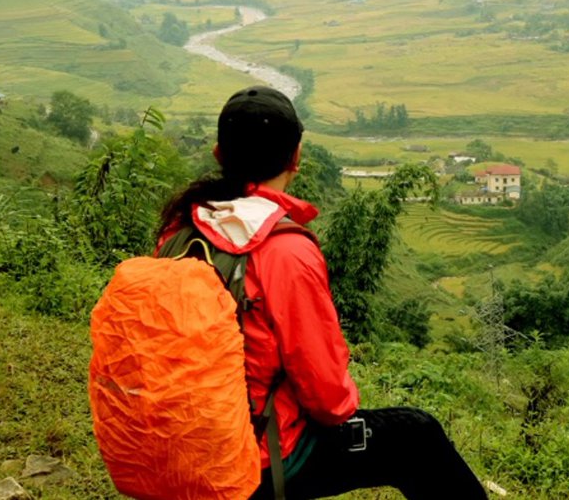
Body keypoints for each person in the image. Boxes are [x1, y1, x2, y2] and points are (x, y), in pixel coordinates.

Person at [156, 86, 487, 500]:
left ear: (219, 154)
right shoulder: (284, 249)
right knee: (416, 436)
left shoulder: (181, 229)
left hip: (174, 440)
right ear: (295, 157)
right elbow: (329, 400)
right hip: (250, 459)